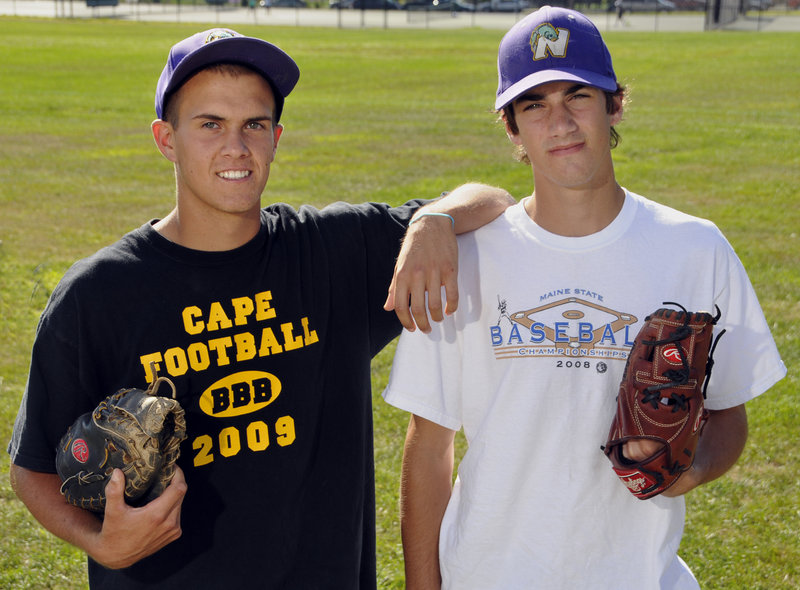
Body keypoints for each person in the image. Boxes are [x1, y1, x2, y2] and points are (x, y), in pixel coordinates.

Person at [7, 28, 513, 589]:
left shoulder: (333, 253)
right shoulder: (98, 294)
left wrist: (433, 220)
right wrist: (100, 541)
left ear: (276, 136)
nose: (236, 148)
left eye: (254, 124)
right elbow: (32, 469)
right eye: (210, 125)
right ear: (165, 138)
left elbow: (496, 202)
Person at [382, 7, 787, 589]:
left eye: (578, 96)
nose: (560, 123)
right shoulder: (465, 260)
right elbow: (429, 448)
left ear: (614, 104)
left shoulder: (694, 248)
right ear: (512, 128)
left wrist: (688, 472)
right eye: (534, 105)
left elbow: (729, 411)